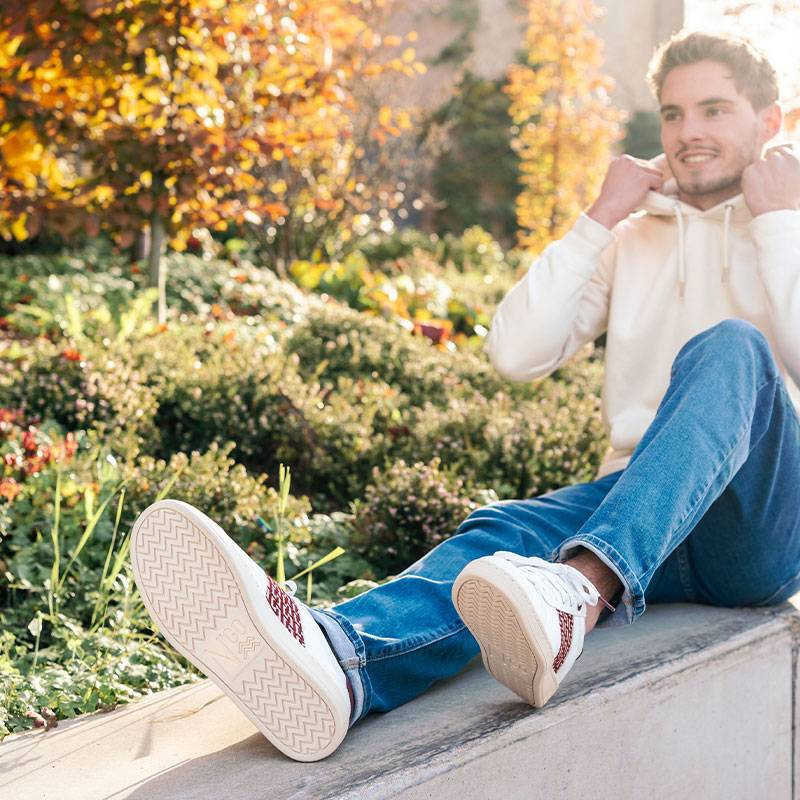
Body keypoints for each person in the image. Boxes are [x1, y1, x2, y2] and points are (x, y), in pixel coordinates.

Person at [130, 30, 800, 763]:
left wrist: (777, 224)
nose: (689, 133)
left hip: (760, 526)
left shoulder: (791, 226)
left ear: (769, 122)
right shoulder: (631, 235)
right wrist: (597, 220)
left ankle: (581, 589)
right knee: (500, 538)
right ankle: (341, 661)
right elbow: (516, 353)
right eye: (673, 114)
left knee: (732, 345)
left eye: (713, 109)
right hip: (644, 515)